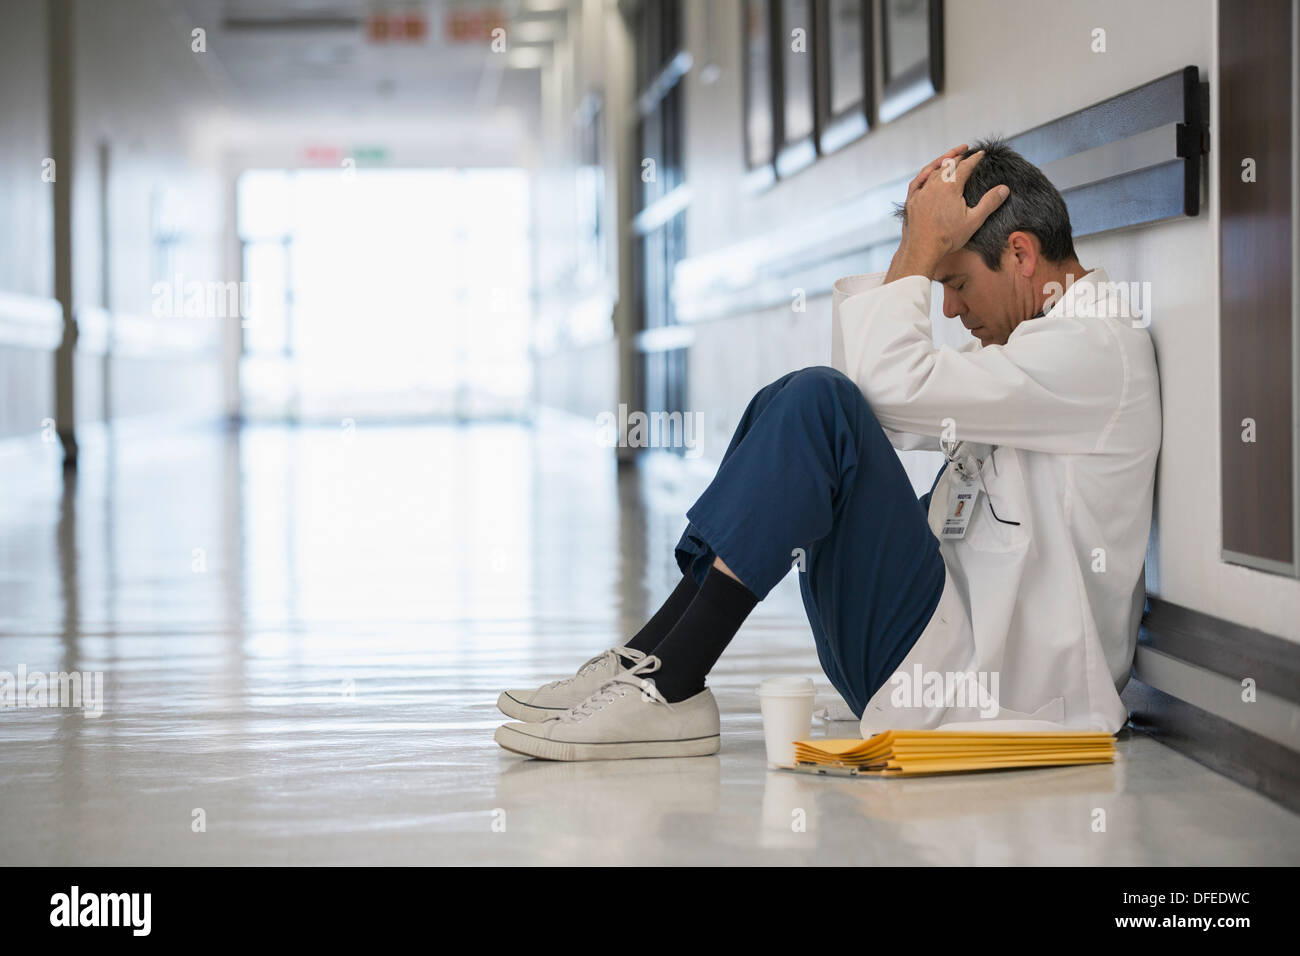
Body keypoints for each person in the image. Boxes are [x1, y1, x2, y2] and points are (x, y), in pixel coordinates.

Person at [495, 139, 1161, 761]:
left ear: (1020, 255)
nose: (952, 311)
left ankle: (673, 685)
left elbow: (873, 394)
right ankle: (652, 660)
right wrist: (922, 249)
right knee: (787, 399)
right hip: (935, 654)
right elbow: (875, 403)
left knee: (818, 400)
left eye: (955, 282)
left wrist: (920, 248)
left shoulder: (1092, 349)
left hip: (1001, 691)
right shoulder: (1037, 349)